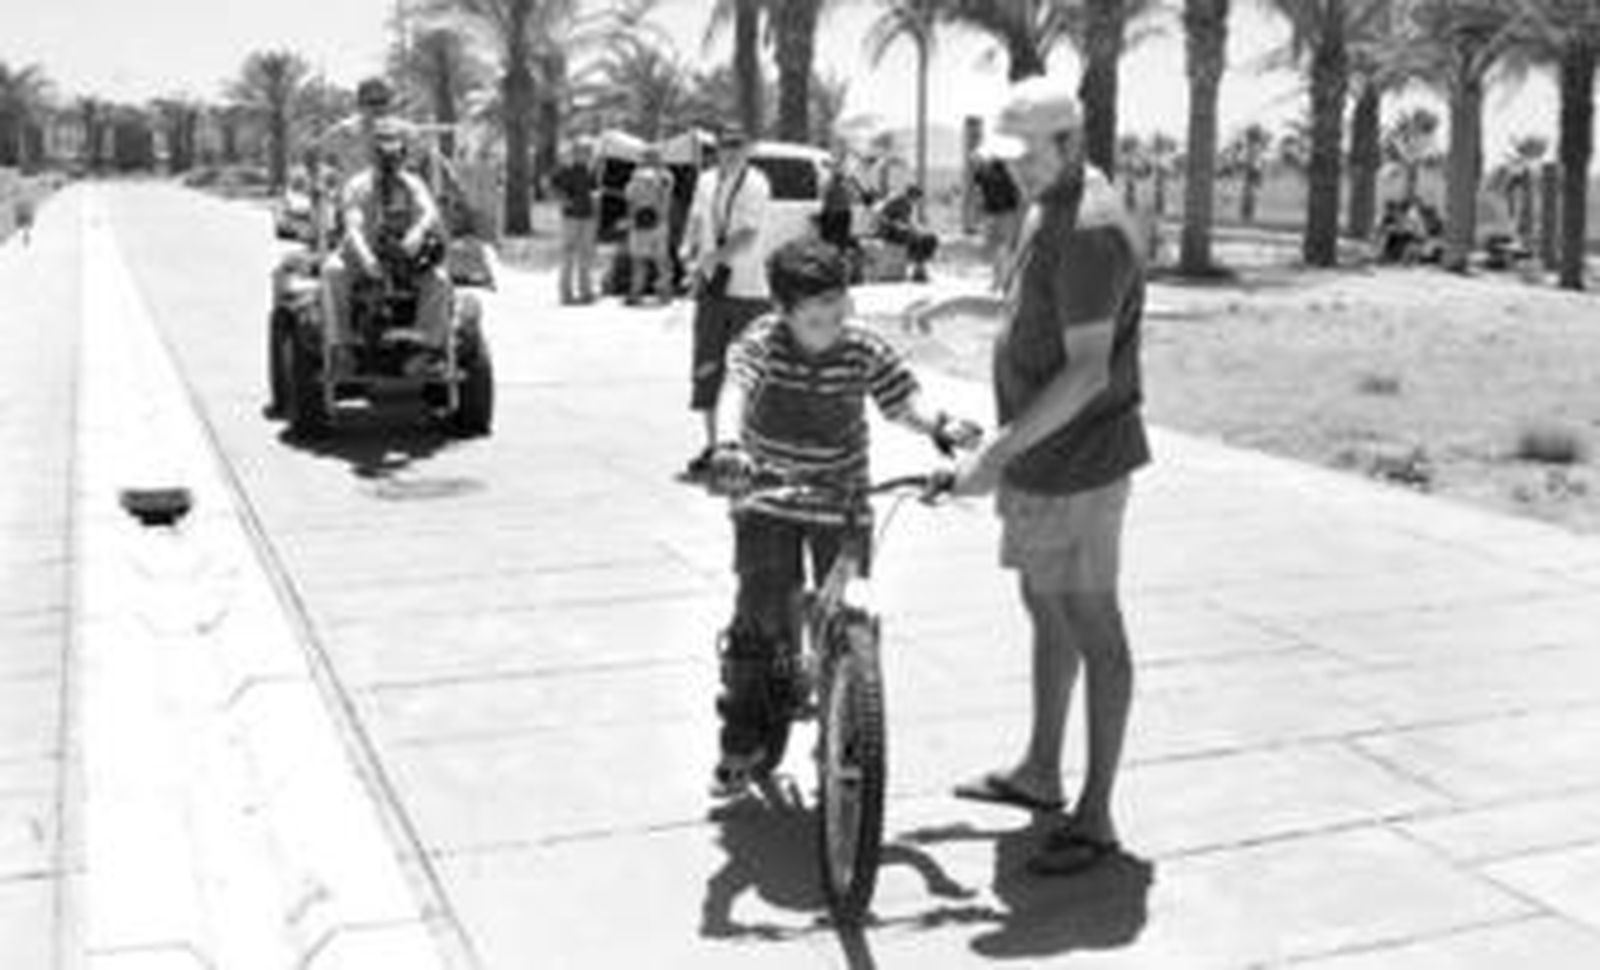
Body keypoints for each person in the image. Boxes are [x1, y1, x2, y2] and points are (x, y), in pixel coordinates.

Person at [907, 76, 1150, 877]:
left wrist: (995, 456)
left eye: (1028, 155)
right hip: (1043, 458)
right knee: (1047, 609)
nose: (1013, 169)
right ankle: (1042, 771)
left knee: (1093, 623)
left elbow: (1086, 372)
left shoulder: (1089, 228)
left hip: (1077, 464)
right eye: (1007, 156)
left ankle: (1096, 815)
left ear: (1070, 143)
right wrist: (965, 308)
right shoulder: (1054, 201)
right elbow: (1040, 312)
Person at [705, 238, 981, 796]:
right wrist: (728, 445)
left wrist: (939, 424)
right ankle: (741, 739)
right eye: (814, 320)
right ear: (782, 311)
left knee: (853, 616)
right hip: (769, 497)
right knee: (760, 609)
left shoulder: (861, 347)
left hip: (843, 500)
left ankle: (848, 713)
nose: (831, 328)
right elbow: (736, 390)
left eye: (838, 312)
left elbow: (902, 400)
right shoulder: (762, 342)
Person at [320, 120, 453, 376]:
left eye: (395, 154)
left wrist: (417, 233)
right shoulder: (357, 186)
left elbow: (428, 212)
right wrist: (367, 259)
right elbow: (353, 227)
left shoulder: (412, 184)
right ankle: (342, 349)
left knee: (440, 280)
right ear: (374, 156)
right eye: (384, 154)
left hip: (403, 258)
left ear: (402, 154)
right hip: (361, 255)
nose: (389, 161)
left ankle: (424, 352)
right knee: (332, 272)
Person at [680, 128, 772, 479]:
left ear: (747, 149)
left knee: (748, 370)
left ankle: (749, 449)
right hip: (713, 289)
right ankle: (715, 445)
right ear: (716, 149)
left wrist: (712, 258)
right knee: (708, 365)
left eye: (737, 145)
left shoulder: (755, 183)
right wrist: (688, 248)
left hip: (749, 290)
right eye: (724, 145)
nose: (730, 151)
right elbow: (696, 218)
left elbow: (747, 235)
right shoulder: (706, 180)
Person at [625, 146, 676, 306]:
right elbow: (629, 197)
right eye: (647, 157)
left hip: (655, 223)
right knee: (642, 260)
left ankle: (661, 291)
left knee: (657, 261)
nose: (649, 160)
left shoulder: (663, 176)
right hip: (642, 223)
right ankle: (638, 292)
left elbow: (665, 193)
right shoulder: (638, 176)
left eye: (651, 157)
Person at [550, 138, 599, 304]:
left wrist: (595, 205)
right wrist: (562, 199)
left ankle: (586, 292)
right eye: (583, 151)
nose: (586, 155)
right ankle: (566, 293)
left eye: (588, 152)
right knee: (568, 254)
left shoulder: (590, 171)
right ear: (575, 152)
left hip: (588, 216)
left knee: (586, 255)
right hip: (570, 216)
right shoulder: (565, 169)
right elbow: (551, 185)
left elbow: (594, 190)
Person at [971, 151, 1023, 290]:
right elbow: (1018, 192)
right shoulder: (1008, 170)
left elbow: (978, 195)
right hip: (1004, 212)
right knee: (1002, 248)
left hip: (996, 213)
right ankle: (1002, 280)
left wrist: (977, 213)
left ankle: (999, 281)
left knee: (998, 248)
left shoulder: (984, 172)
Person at [874, 184, 939, 283]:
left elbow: (907, 222)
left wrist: (917, 229)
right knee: (922, 240)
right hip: (889, 232)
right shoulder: (901, 203)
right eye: (917, 199)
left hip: (894, 230)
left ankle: (920, 268)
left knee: (926, 238)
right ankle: (919, 270)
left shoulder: (903, 202)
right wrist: (913, 229)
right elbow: (892, 220)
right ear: (914, 196)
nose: (917, 202)